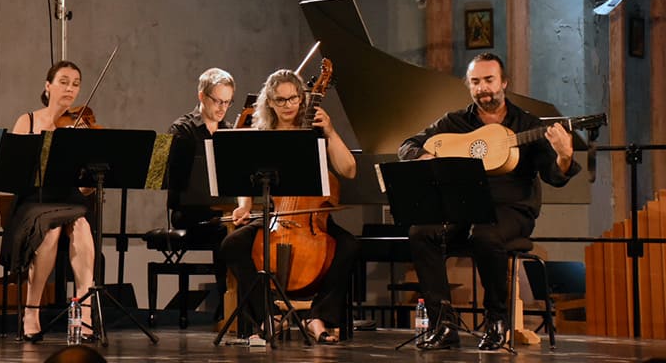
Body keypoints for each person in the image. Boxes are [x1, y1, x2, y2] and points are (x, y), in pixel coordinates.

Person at [398, 52, 580, 351]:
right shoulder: (454, 122)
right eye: (476, 82)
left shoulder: (527, 125)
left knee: (485, 235)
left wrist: (564, 154)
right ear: (468, 86)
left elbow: (554, 176)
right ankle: (443, 323)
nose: (483, 88)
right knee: (421, 233)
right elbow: (407, 145)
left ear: (503, 82)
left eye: (489, 80)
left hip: (512, 209)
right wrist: (424, 156)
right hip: (462, 207)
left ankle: (497, 320)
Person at [219, 69, 360, 344]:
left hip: (312, 218)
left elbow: (349, 169)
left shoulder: (317, 131)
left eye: (293, 99)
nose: (288, 105)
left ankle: (318, 317)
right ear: (269, 102)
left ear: (302, 99)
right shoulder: (263, 135)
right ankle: (266, 315)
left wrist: (330, 132)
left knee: (350, 246)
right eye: (280, 100)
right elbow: (243, 178)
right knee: (232, 245)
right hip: (278, 215)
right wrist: (244, 205)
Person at [0, 60, 96, 342]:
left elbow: (86, 191)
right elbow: (12, 172)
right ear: (48, 86)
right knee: (50, 231)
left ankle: (85, 311)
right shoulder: (27, 121)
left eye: (76, 83)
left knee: (81, 226)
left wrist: (89, 176)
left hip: (68, 200)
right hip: (34, 202)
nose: (70, 88)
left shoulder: (81, 125)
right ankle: (32, 308)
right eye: (64, 81)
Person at [165, 68, 235, 312]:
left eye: (227, 102)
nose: (222, 108)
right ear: (202, 97)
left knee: (245, 228)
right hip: (190, 213)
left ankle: (245, 303)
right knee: (225, 231)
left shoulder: (230, 132)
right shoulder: (182, 130)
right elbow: (175, 181)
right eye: (217, 100)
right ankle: (225, 302)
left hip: (223, 211)